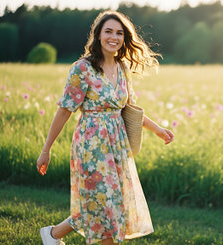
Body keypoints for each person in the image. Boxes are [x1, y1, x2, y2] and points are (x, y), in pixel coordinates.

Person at [36, 11, 174, 245]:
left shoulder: (122, 68)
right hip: (91, 145)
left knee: (106, 204)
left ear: (124, 38)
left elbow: (129, 108)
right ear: (98, 35)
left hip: (118, 145)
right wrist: (46, 149)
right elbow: (65, 110)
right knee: (105, 206)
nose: (114, 37)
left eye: (119, 33)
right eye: (108, 31)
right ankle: (52, 235)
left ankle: (52, 234)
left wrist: (158, 129)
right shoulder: (82, 68)